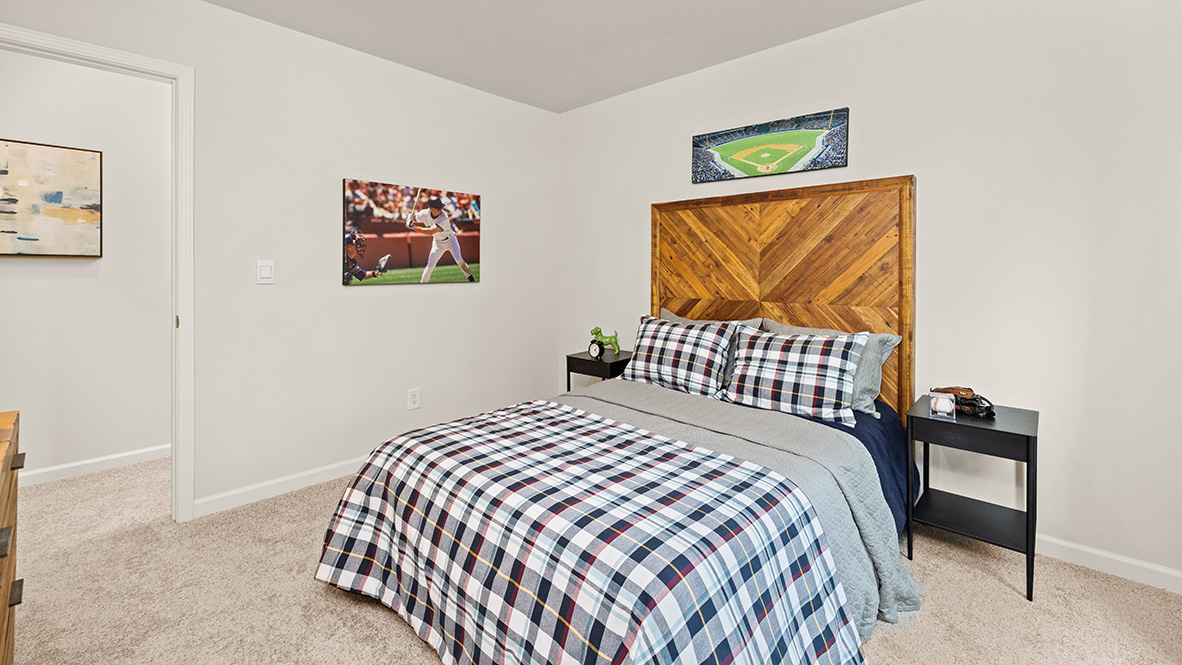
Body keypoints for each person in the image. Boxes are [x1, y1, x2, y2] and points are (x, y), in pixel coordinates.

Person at [407, 195, 475, 283]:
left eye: (441, 208)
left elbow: (431, 231)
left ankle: (472, 282)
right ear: (431, 209)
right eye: (438, 208)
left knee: (459, 261)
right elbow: (414, 218)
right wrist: (409, 219)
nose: (441, 210)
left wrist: (413, 227)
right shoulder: (424, 213)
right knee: (430, 266)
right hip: (438, 243)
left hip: (451, 241)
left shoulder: (444, 217)